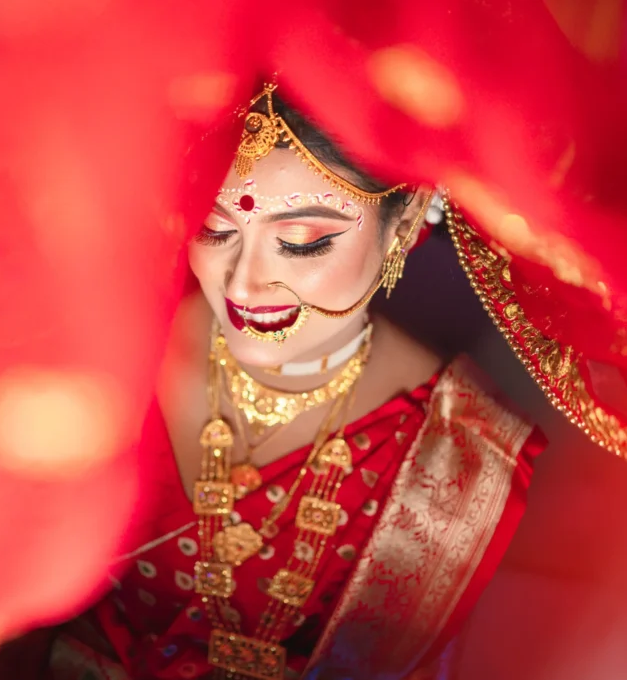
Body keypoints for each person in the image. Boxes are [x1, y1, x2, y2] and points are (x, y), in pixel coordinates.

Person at [29, 82, 547, 680]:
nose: (245, 285)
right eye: (215, 229)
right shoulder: (111, 357)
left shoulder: (454, 450)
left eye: (302, 243)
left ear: (404, 218)